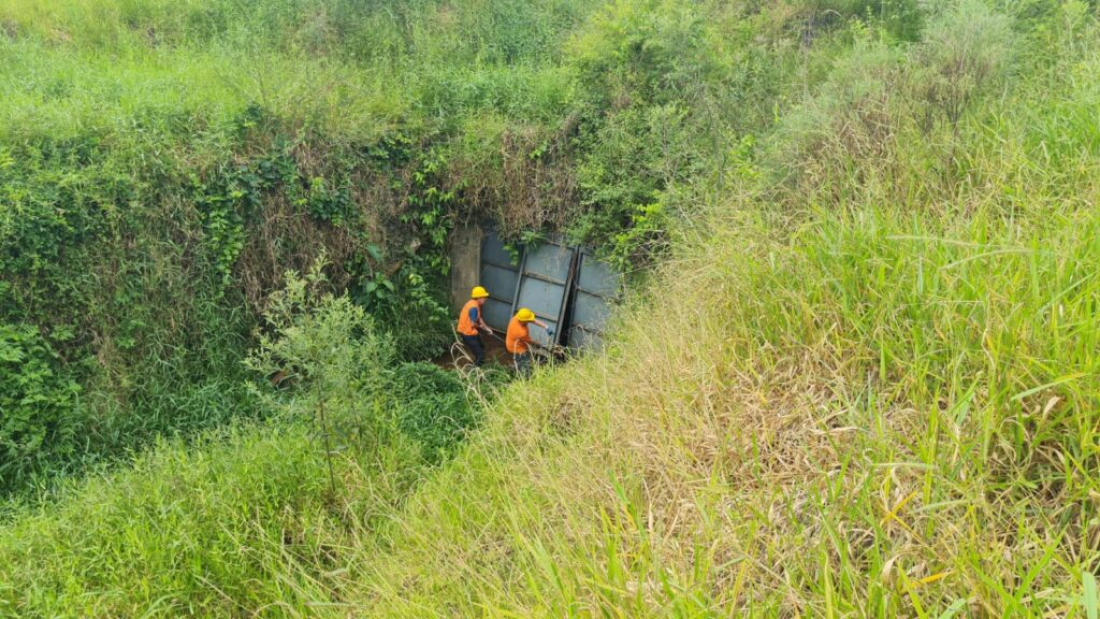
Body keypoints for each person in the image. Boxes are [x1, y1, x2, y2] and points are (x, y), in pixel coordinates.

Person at [506, 307, 553, 376]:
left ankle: (516, 368)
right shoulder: (521, 332)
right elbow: (529, 342)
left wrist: (546, 327)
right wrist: (536, 343)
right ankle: (524, 376)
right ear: (524, 321)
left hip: (514, 340)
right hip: (516, 348)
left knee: (522, 361)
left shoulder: (517, 317)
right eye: (528, 320)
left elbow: (533, 320)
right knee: (524, 362)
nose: (530, 320)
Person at [457, 286, 491, 366]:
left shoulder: (474, 304)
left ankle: (477, 360)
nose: (485, 298)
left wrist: (488, 329)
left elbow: (479, 319)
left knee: (481, 347)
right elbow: (473, 324)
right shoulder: (473, 308)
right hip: (467, 333)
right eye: (484, 297)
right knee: (480, 356)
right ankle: (475, 371)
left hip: (470, 332)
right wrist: (481, 327)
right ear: (479, 297)